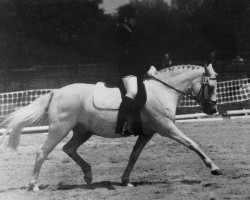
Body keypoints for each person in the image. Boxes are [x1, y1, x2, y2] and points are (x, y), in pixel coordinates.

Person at [115, 5, 147, 136]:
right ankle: (120, 125)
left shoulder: (129, 30)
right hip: (126, 69)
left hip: (133, 69)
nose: (135, 21)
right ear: (126, 19)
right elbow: (127, 54)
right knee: (132, 92)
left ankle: (137, 126)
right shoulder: (122, 30)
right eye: (133, 18)